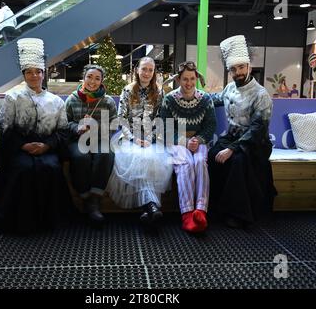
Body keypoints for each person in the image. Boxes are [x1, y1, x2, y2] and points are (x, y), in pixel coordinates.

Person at [0, 38, 76, 236]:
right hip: (18, 148)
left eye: (38, 72)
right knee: (22, 168)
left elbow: (63, 131)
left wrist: (46, 146)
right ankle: (15, 221)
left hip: (47, 147)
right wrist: (23, 146)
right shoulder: (12, 97)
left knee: (50, 167)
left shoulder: (56, 101)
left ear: (43, 74)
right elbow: (5, 130)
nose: (34, 76)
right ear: (24, 75)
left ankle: (48, 222)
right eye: (29, 72)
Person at [207, 35, 277, 229]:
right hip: (231, 136)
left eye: (241, 68)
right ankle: (214, 208)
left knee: (237, 161)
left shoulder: (261, 94)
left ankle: (237, 214)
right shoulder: (229, 87)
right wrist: (191, 95)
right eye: (233, 69)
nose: (237, 72)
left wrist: (232, 149)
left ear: (249, 67)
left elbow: (257, 129)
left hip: (254, 143)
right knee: (212, 155)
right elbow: (214, 99)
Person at [106, 57, 173, 224]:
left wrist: (149, 138)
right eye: (144, 69)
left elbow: (160, 118)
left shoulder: (159, 91)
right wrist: (134, 138)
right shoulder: (128, 90)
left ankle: (148, 210)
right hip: (130, 137)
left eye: (150, 70)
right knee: (138, 157)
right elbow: (121, 118)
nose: (147, 73)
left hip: (151, 138)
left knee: (151, 158)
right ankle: (151, 207)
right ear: (137, 70)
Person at [159, 61, 216, 233]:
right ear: (178, 80)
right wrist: (184, 141)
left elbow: (211, 126)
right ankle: (187, 213)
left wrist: (198, 140)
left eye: (192, 79)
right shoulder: (169, 100)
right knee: (185, 163)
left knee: (199, 162)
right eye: (185, 79)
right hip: (177, 141)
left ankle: (201, 210)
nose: (189, 83)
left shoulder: (205, 99)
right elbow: (166, 127)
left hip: (199, 141)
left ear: (196, 78)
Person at [65, 64, 117, 225]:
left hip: (100, 139)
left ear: (102, 81)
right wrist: (77, 127)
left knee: (106, 154)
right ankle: (84, 196)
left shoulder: (107, 101)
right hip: (77, 140)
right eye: (89, 77)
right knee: (81, 158)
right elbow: (64, 124)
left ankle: (94, 199)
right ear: (83, 78)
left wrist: (95, 126)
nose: (92, 81)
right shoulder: (72, 99)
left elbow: (114, 125)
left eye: (97, 78)